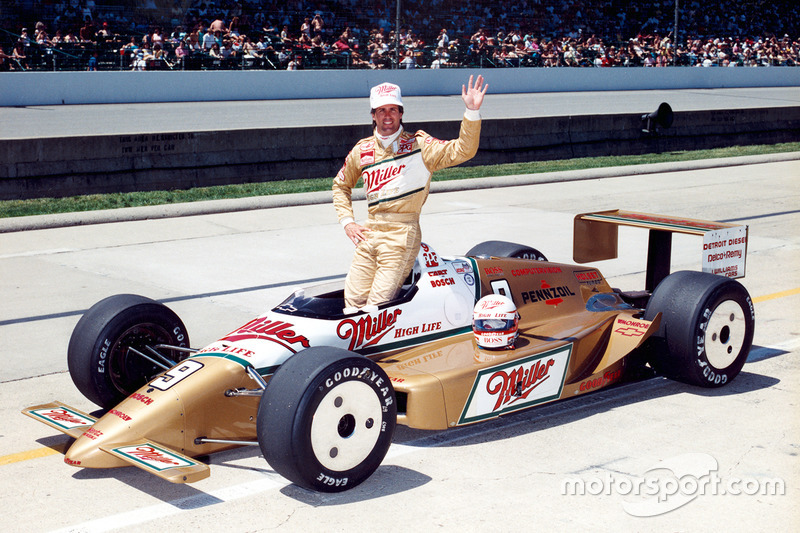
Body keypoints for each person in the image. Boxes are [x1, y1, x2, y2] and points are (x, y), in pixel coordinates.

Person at [332, 76, 488, 311]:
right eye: (381, 110)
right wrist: (347, 223)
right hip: (369, 232)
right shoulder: (361, 149)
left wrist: (471, 112)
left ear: (401, 113)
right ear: (373, 114)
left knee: (377, 306)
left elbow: (462, 150)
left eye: (393, 109)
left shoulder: (420, 145)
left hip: (402, 234)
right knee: (352, 304)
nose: (387, 115)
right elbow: (340, 185)